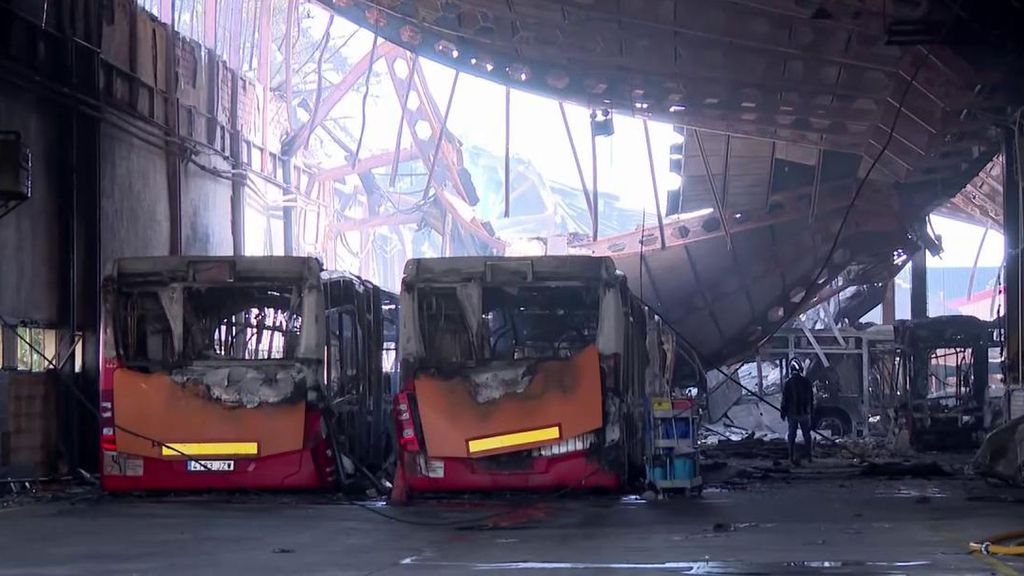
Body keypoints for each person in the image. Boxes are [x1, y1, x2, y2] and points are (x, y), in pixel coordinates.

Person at [780, 358, 814, 465]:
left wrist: (783, 412)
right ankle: (809, 456)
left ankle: (791, 456)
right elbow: (811, 399)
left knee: (792, 435)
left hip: (792, 414)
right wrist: (811, 412)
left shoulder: (788, 383)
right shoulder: (807, 382)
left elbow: (785, 400)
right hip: (804, 413)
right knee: (807, 435)